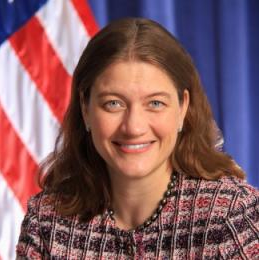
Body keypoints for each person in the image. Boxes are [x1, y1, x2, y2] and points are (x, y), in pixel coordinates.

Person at [16, 17, 259, 259]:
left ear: (183, 107)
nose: (134, 127)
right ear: (85, 107)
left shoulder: (231, 215)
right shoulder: (47, 221)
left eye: (155, 103)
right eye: (113, 103)